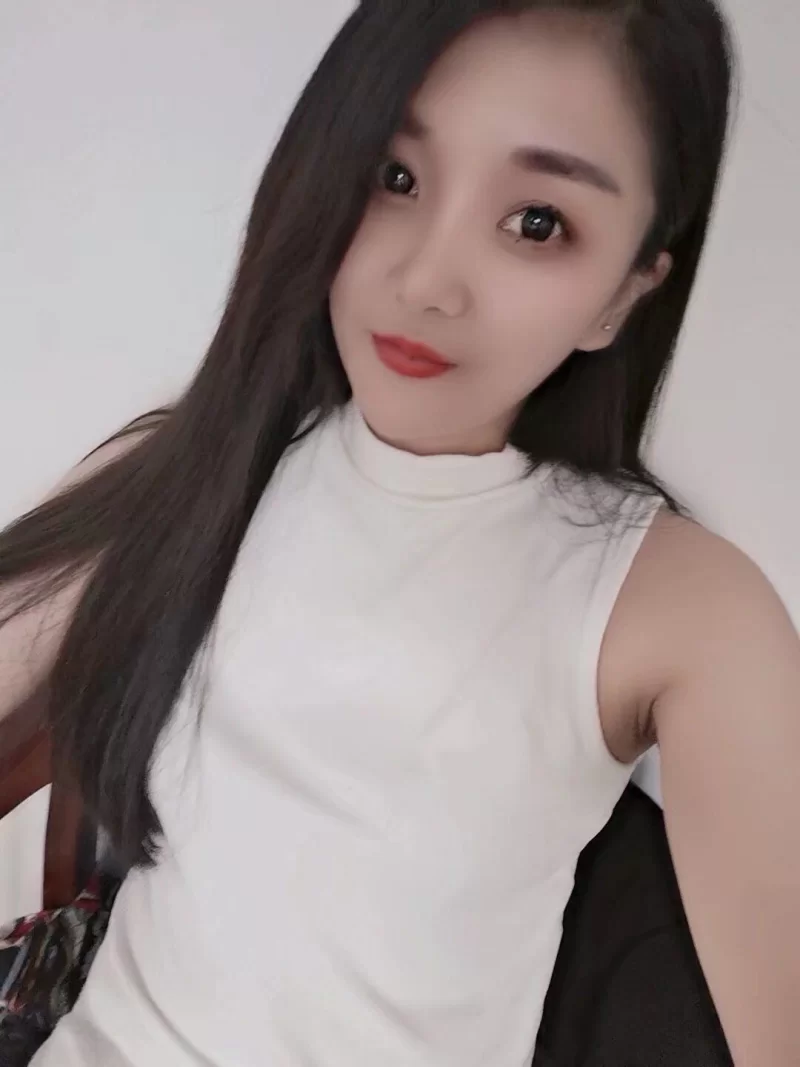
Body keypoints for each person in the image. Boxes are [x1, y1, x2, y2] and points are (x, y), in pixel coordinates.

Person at [0, 0, 798, 1064]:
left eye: (536, 222)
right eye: (395, 176)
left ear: (624, 293)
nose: (426, 282)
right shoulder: (203, 471)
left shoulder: (680, 607)